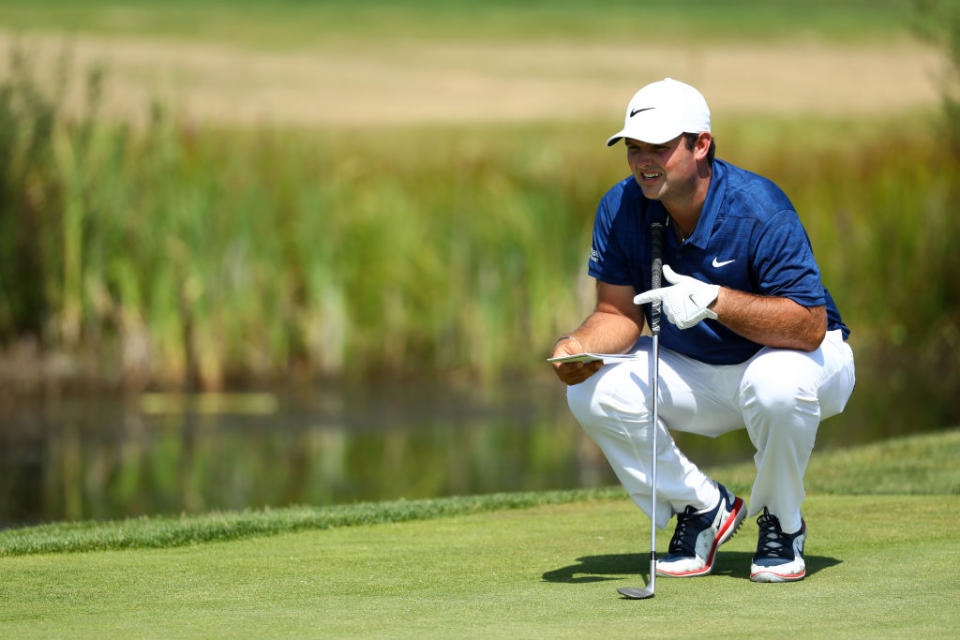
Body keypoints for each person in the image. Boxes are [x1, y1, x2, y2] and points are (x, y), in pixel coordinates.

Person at [550, 78, 855, 583]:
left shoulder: (758, 207)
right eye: (634, 148)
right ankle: (702, 507)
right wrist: (577, 347)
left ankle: (782, 521)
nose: (644, 161)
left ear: (701, 145)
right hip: (697, 371)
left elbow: (809, 326)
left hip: (801, 364)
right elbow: (617, 315)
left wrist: (714, 301)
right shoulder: (622, 206)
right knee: (590, 391)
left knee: (775, 384)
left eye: (660, 147)